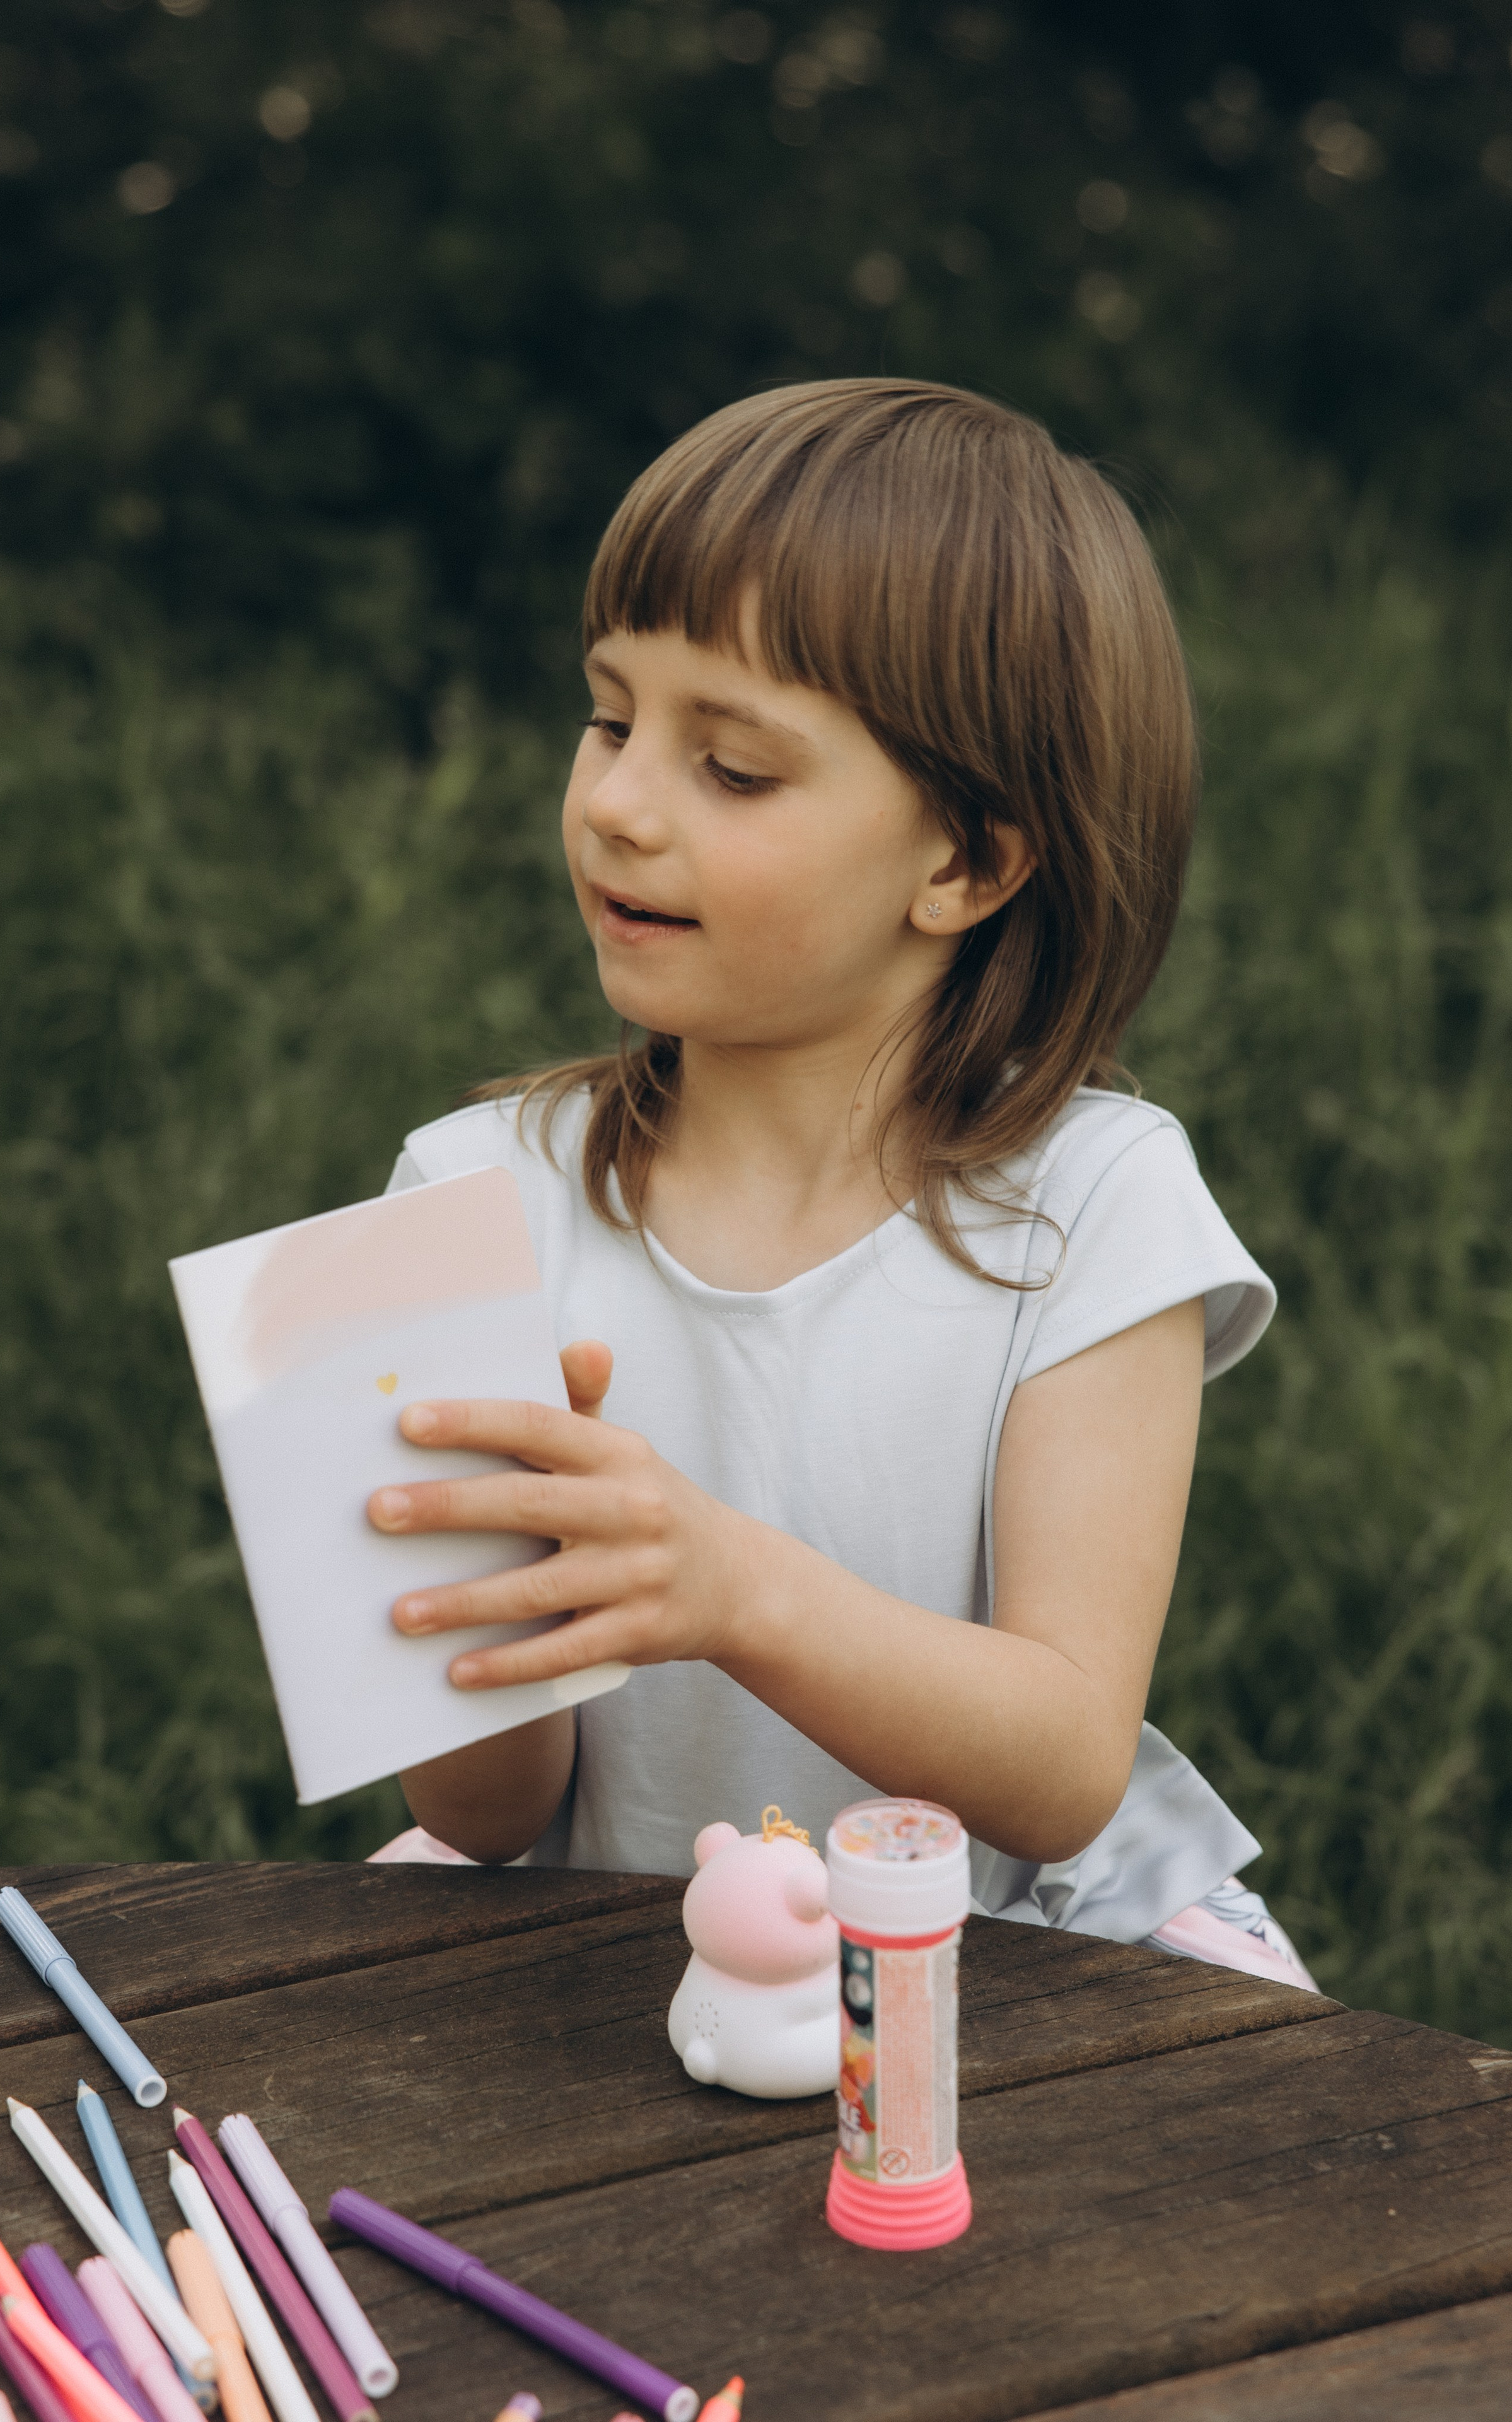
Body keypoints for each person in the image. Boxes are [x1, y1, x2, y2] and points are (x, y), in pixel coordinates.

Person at [368, 378, 1315, 1990]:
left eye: (730, 768)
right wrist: (457, 1618)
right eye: (610, 718)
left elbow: (1061, 1766)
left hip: (1009, 1963)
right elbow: (480, 1816)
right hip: (613, 1959)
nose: (613, 802)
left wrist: (726, 1586)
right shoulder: (465, 1198)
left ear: (963, 864)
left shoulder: (1092, 1206)